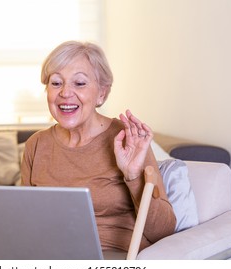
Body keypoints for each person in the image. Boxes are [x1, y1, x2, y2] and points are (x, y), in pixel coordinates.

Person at [21, 40, 176, 253]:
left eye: (79, 83)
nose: (65, 93)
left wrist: (133, 176)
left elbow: (163, 231)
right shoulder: (36, 145)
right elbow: (27, 221)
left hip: (114, 258)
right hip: (52, 257)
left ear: (102, 93)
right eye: (56, 83)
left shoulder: (127, 138)